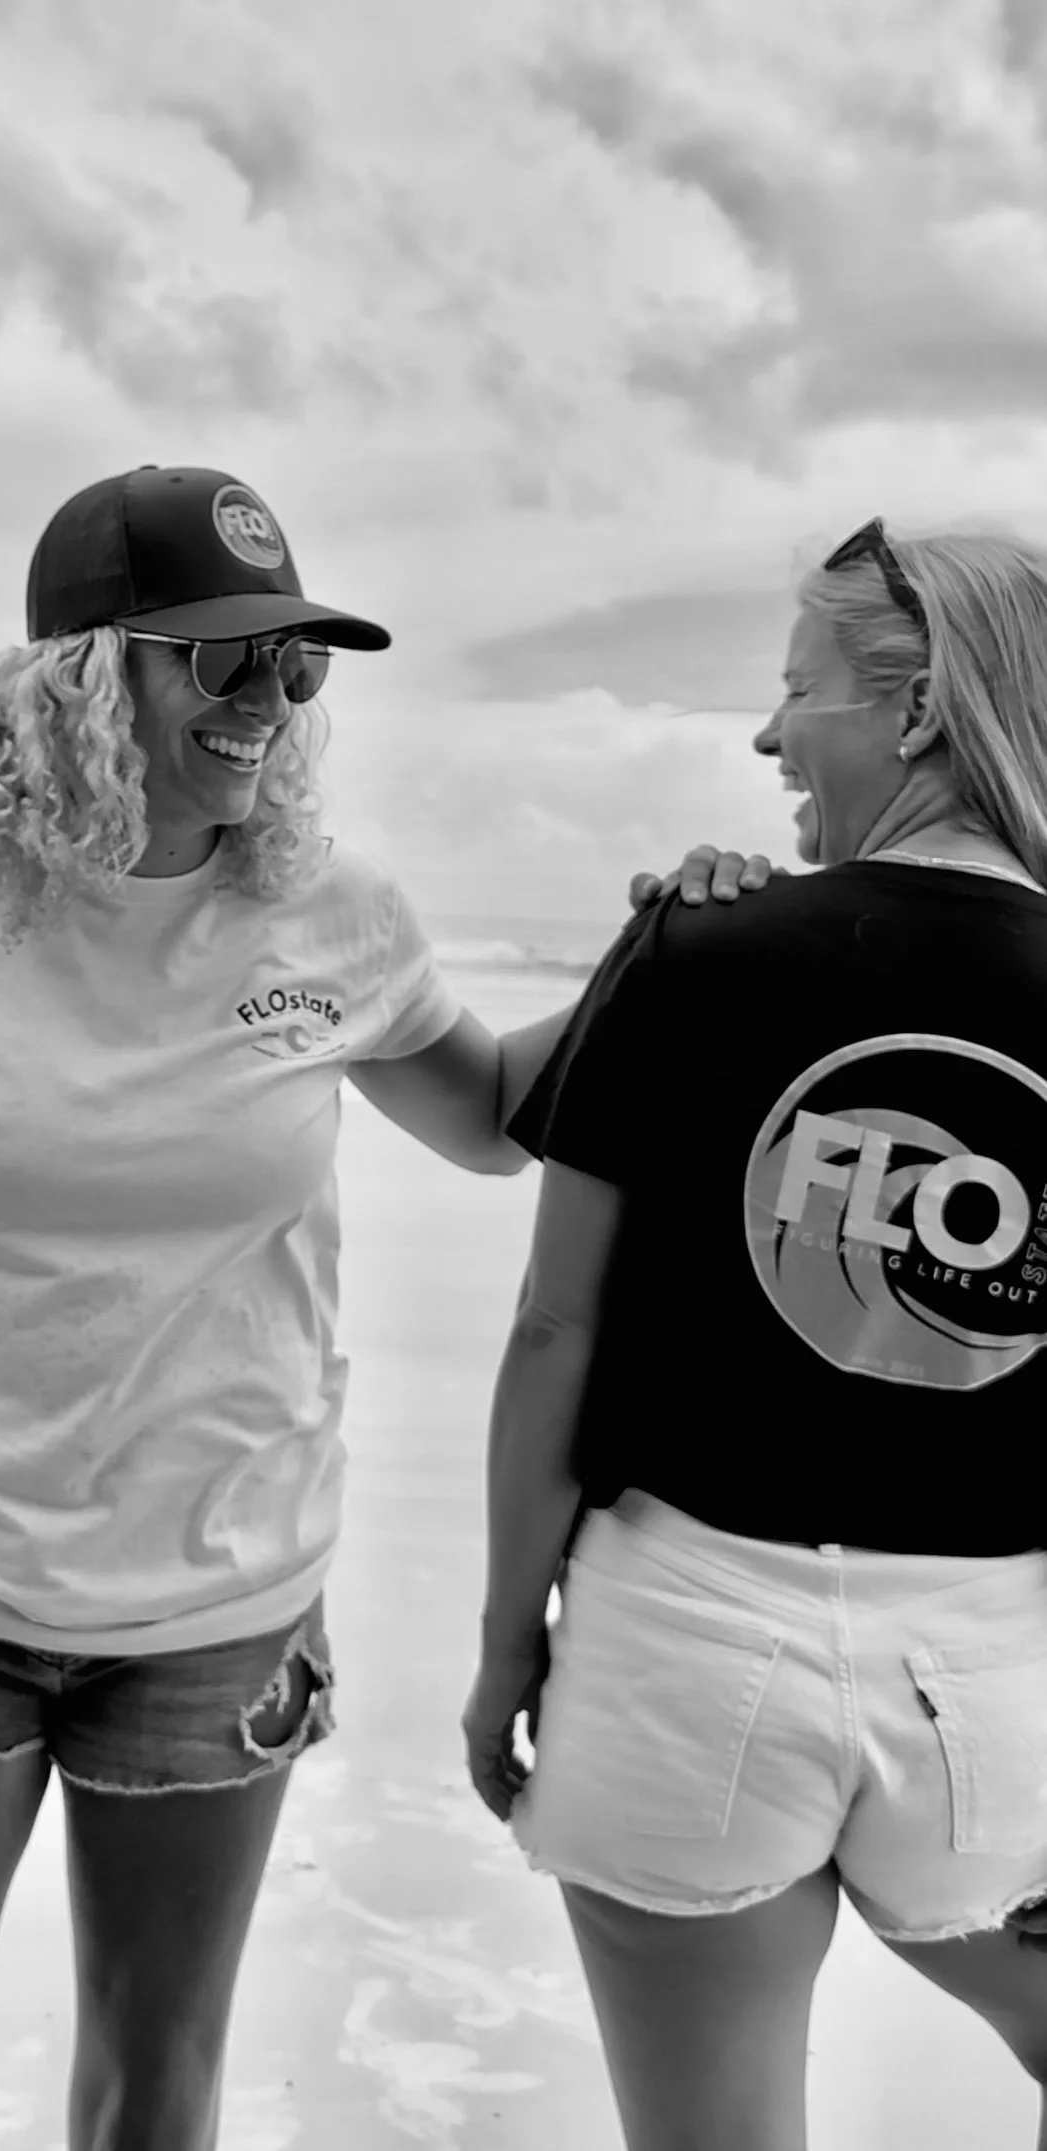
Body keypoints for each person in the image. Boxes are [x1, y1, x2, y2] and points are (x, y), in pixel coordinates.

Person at [0, 463, 653, 2151]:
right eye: (225, 658)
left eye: (297, 664)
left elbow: (489, 1119)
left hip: (218, 1596)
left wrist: (667, 956)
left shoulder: (328, 906)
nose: (271, 701)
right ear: (80, 677)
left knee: (155, 2094)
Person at [461, 516, 1047, 2151]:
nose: (766, 735)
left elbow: (552, 1331)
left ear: (915, 709)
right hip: (988, 1679)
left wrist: (506, 1649)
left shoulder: (694, 947)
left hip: (686, 1653)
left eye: (796, 689)